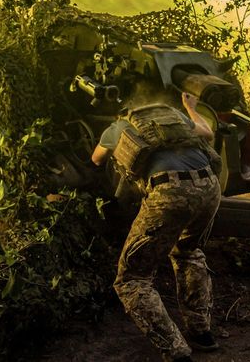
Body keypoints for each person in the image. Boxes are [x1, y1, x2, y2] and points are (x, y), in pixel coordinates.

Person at [91, 91, 222, 362]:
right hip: (209, 187)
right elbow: (208, 132)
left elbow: (96, 160)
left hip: (170, 192)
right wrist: (189, 107)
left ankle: (176, 351)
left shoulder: (119, 127)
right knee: (188, 251)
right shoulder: (175, 121)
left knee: (132, 279)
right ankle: (201, 333)